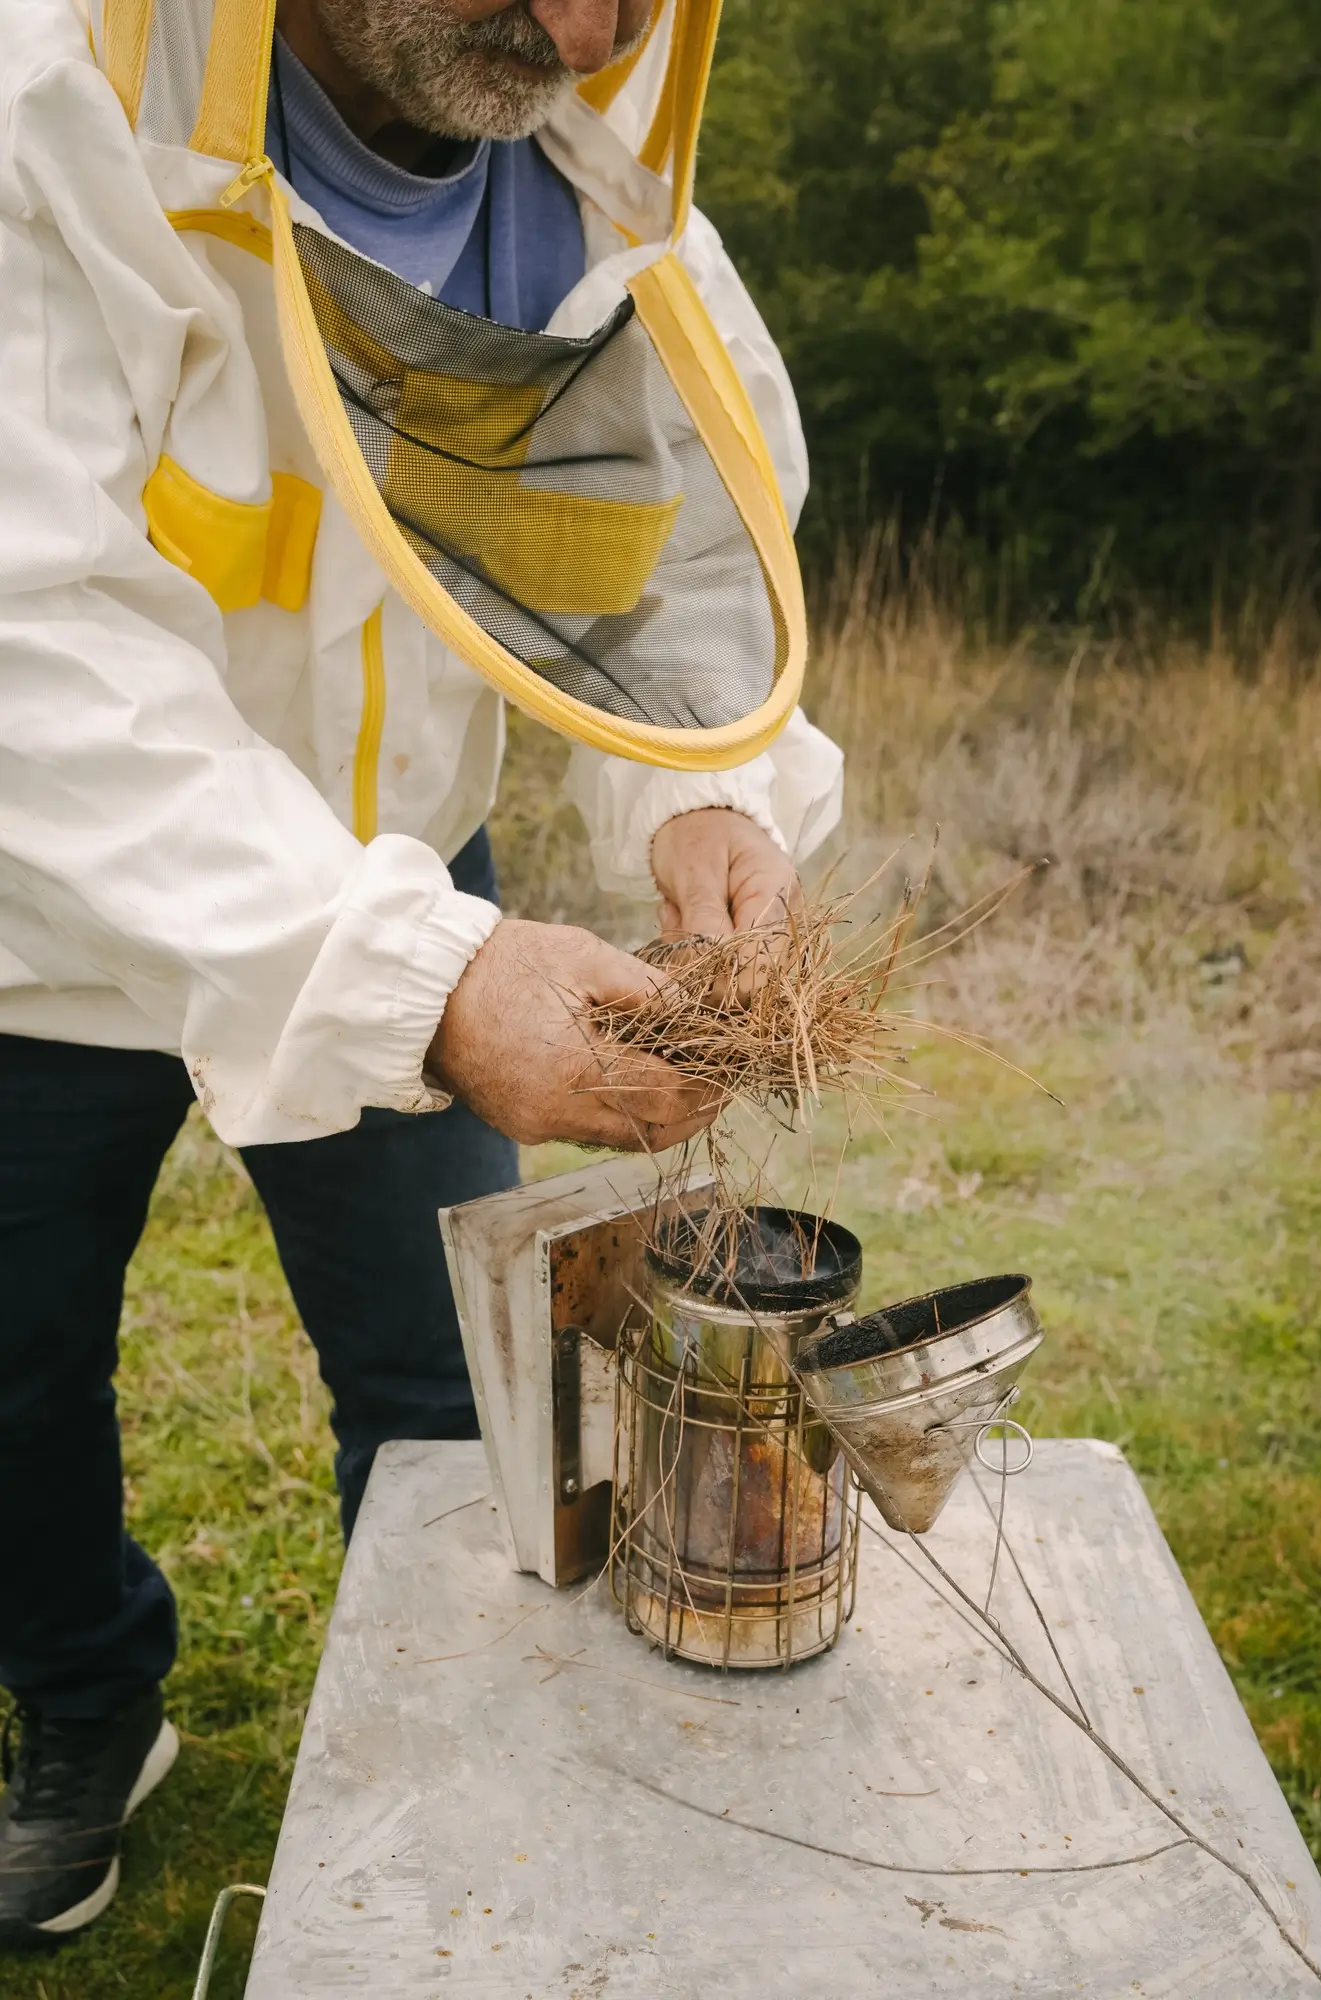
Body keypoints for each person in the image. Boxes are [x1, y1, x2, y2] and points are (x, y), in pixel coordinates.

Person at [0, 0, 843, 1948]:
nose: (579, 20)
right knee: (10, 1383)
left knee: (463, 1399)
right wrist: (421, 973)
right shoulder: (58, 97)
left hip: (408, 888)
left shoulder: (597, 170)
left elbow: (688, 547)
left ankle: (484, 1780)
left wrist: (707, 804)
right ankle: (84, 1698)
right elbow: (30, 634)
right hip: (52, 915)